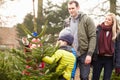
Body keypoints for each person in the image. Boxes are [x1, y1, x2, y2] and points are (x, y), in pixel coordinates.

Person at [64, 0, 96, 80]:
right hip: (70, 53)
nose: (71, 10)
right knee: (69, 76)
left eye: (73, 8)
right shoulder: (66, 22)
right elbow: (64, 38)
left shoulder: (87, 19)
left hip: (84, 53)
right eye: (69, 9)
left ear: (78, 7)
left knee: (84, 77)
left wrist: (89, 54)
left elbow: (93, 37)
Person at [92, 13, 119, 80]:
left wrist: (118, 65)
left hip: (109, 59)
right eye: (106, 19)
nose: (106, 21)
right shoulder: (98, 29)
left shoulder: (117, 32)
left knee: (106, 78)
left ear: (113, 22)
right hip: (98, 57)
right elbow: (93, 43)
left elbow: (118, 49)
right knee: (95, 78)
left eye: (109, 20)